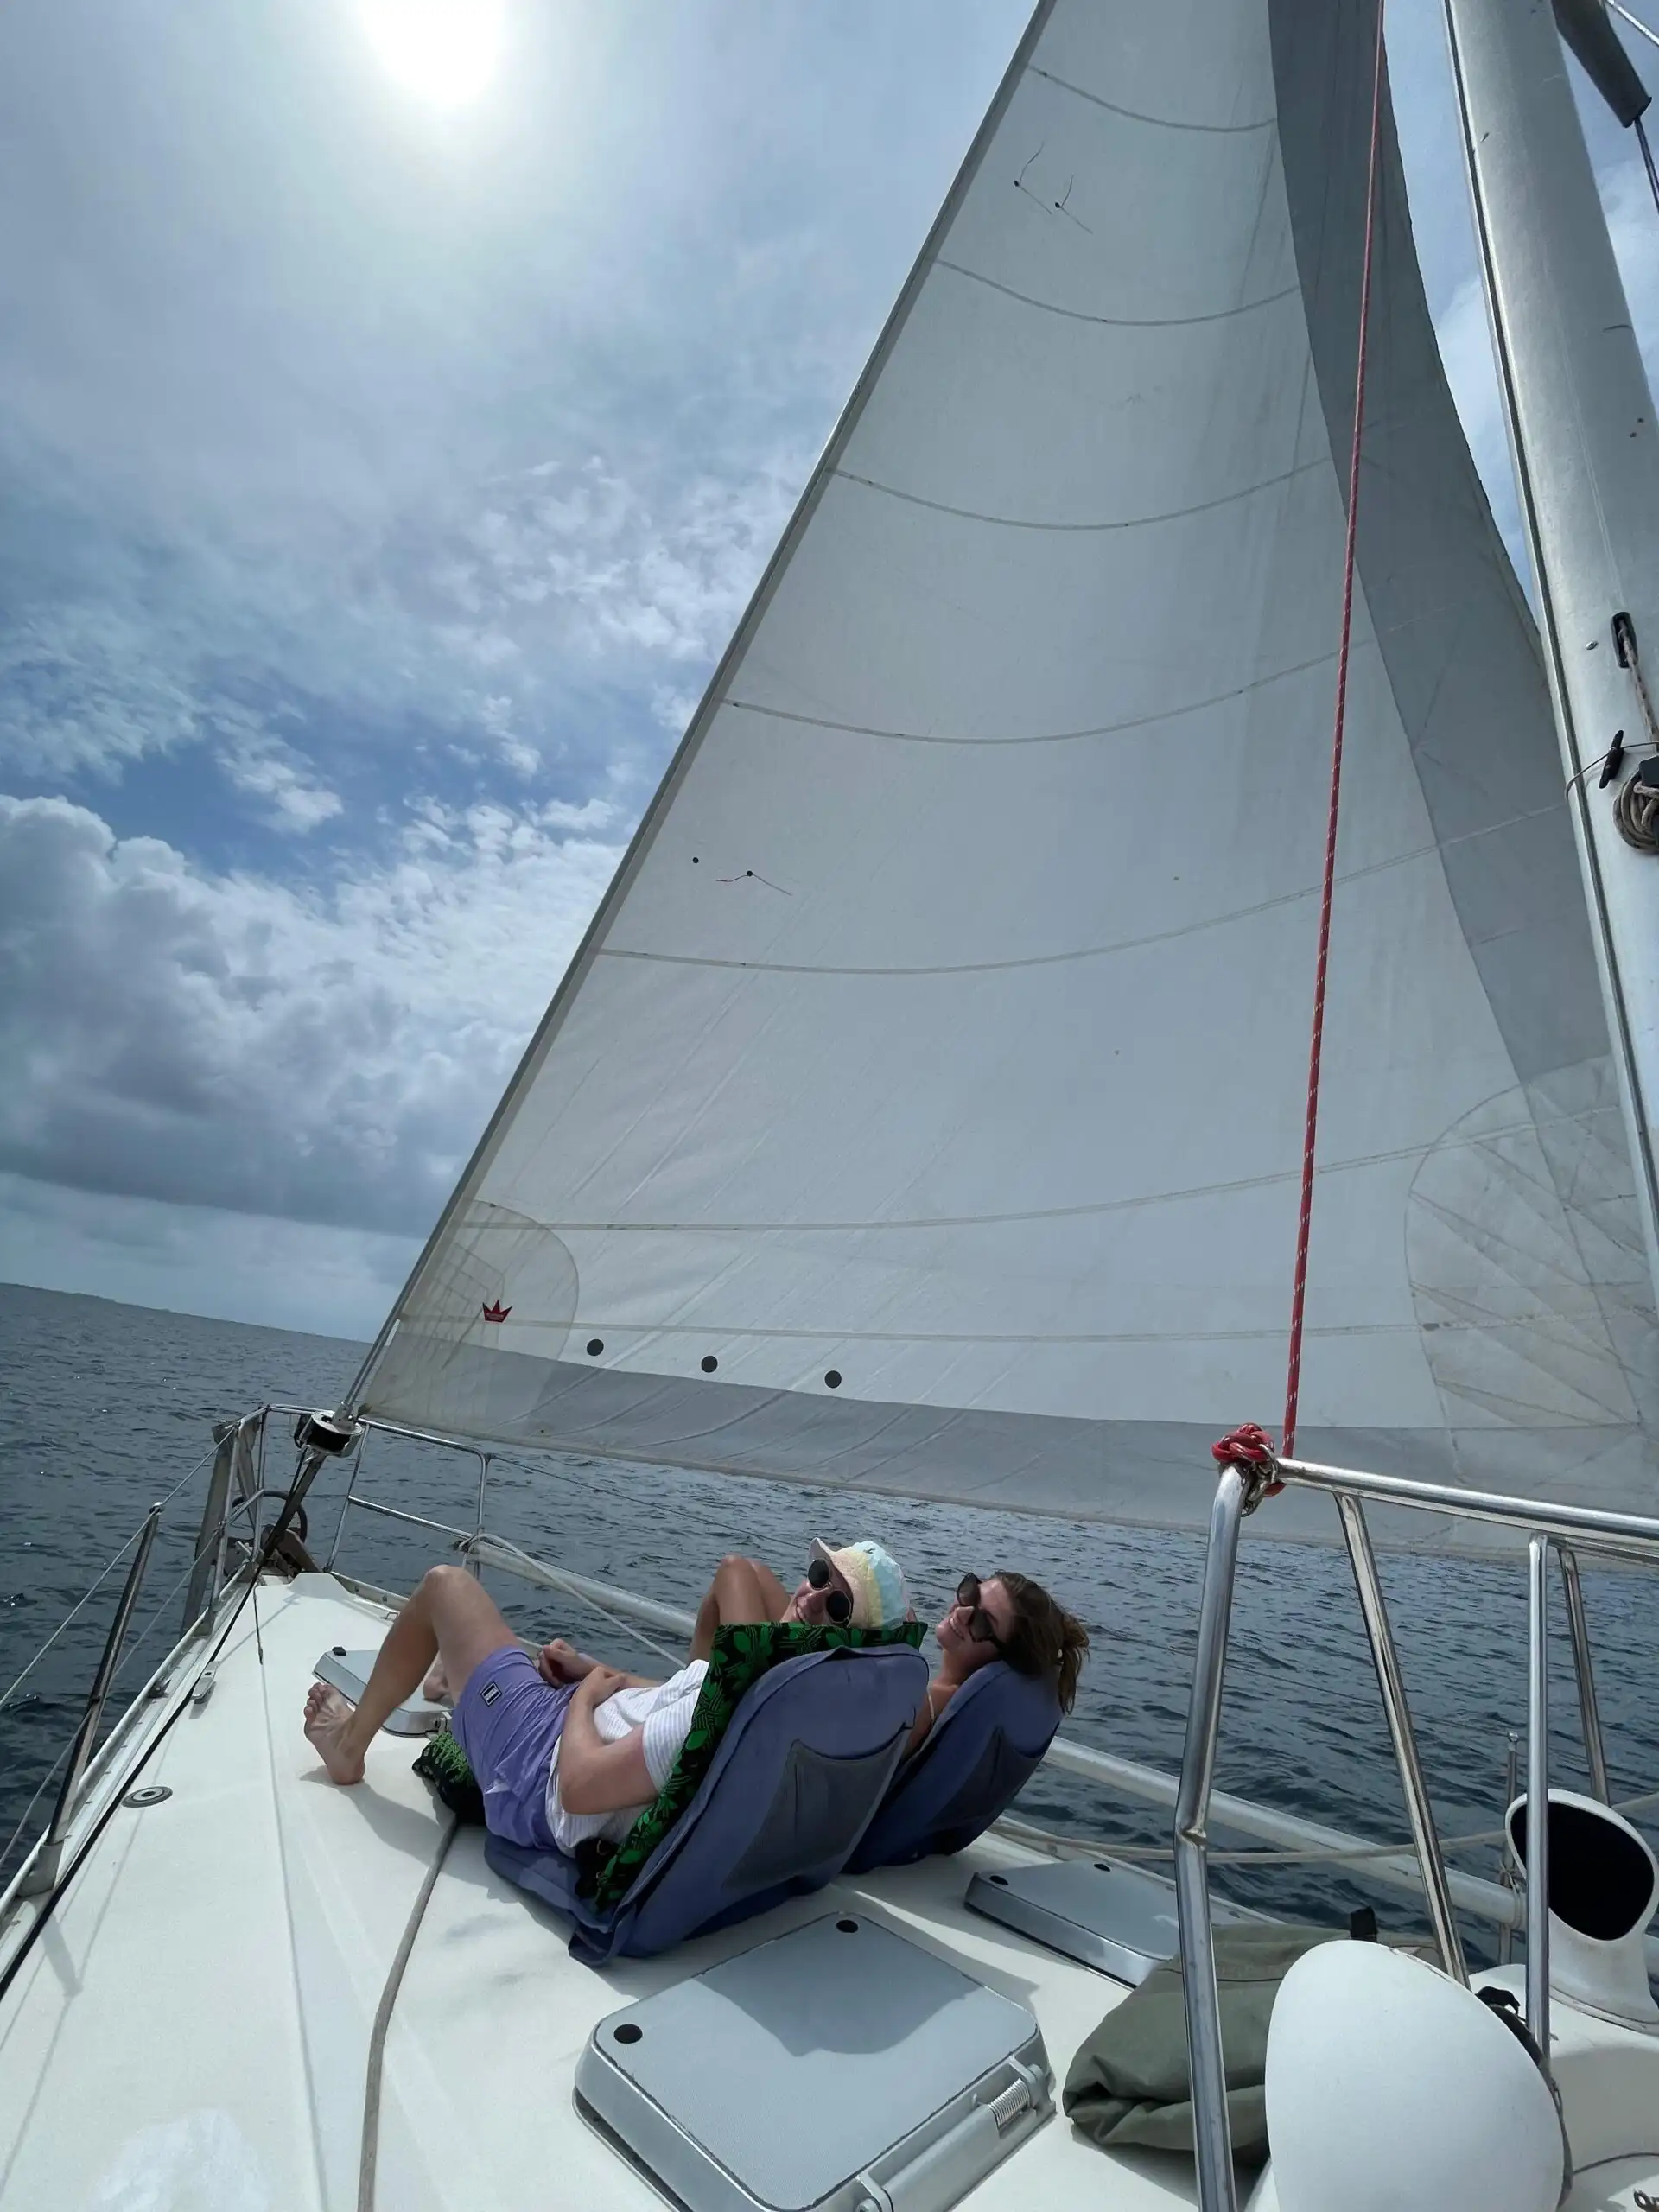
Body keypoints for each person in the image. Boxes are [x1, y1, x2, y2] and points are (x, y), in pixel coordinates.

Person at [302, 1564, 709, 1853]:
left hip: (539, 1765)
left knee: (444, 1588)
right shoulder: (754, 1691)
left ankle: (348, 1745)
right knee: (491, 1640)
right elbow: (678, 1693)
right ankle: (451, 1680)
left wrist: (585, 1694)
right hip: (566, 1728)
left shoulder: (711, 1716)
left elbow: (577, 1787)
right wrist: (597, 1672)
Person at [905, 1570, 1089, 1756]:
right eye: (972, 1594)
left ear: (1002, 1657)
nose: (961, 1612)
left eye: (983, 1623)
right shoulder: (958, 1711)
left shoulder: (926, 1710)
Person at [688, 1535, 909, 1660]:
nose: (814, 1598)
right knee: (755, 1571)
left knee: (734, 1568)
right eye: (820, 1575)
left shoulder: (760, 1679)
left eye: (837, 1606)